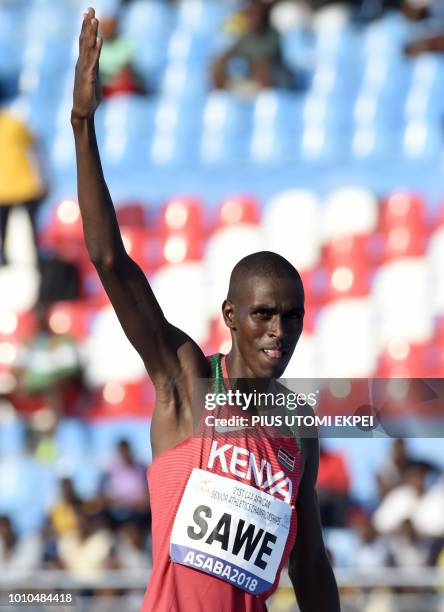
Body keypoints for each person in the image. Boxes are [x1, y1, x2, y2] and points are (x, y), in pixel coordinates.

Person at [72, 8, 340, 611]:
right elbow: (110, 261)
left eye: (292, 316)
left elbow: (311, 565)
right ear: (231, 315)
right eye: (265, 314)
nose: (280, 331)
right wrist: (82, 124)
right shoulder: (186, 382)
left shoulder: (298, 431)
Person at [0, 83, 47, 265]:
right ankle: (35, 253)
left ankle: (5, 255)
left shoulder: (16, 124)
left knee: (5, 224)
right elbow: (36, 149)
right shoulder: (16, 123)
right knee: (29, 223)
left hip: (13, 185)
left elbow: (34, 149)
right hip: (23, 183)